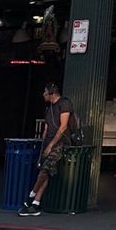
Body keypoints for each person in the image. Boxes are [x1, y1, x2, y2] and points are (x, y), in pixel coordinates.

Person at [19, 82, 77, 217]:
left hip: (60, 142)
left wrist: (51, 145)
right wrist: (44, 144)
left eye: (45, 92)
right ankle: (36, 204)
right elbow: (46, 127)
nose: (43, 95)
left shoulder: (65, 104)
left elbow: (63, 127)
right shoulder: (49, 108)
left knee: (45, 170)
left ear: (52, 93)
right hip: (48, 142)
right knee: (44, 171)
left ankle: (30, 197)